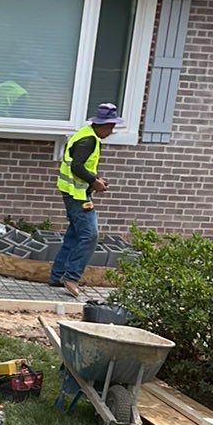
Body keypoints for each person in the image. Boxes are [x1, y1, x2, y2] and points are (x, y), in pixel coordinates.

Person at [50, 102, 122, 295]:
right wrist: (93, 181)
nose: (112, 131)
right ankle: (71, 277)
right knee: (90, 236)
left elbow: (80, 166)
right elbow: (77, 167)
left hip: (76, 191)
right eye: (111, 126)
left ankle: (57, 275)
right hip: (77, 195)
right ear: (103, 125)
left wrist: (95, 180)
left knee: (74, 234)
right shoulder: (88, 140)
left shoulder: (87, 135)